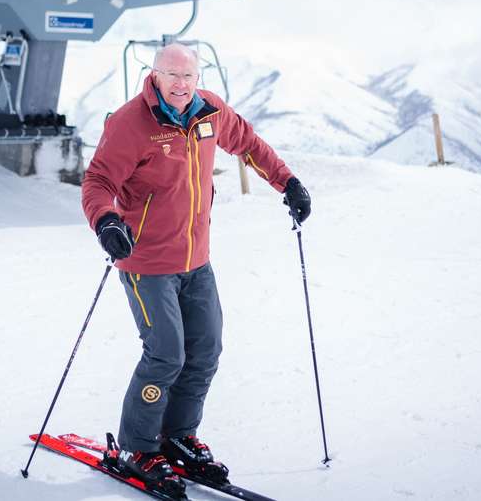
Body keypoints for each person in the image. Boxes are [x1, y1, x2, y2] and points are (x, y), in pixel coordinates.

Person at [81, 43, 311, 496]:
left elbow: (248, 144)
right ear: (156, 76)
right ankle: (138, 447)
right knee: (166, 354)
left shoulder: (209, 113)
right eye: (173, 76)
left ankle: (177, 436)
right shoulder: (130, 123)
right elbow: (98, 182)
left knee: (205, 350)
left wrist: (289, 182)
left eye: (190, 76)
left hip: (196, 260)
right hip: (145, 262)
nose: (183, 85)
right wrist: (106, 222)